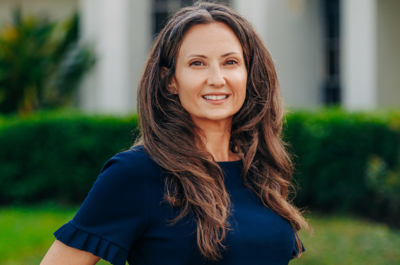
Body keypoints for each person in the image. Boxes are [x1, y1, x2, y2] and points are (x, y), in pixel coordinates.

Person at [41, 1, 312, 265]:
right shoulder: (135, 173)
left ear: (249, 73)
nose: (217, 78)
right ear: (170, 80)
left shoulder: (258, 168)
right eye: (197, 63)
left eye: (230, 62)